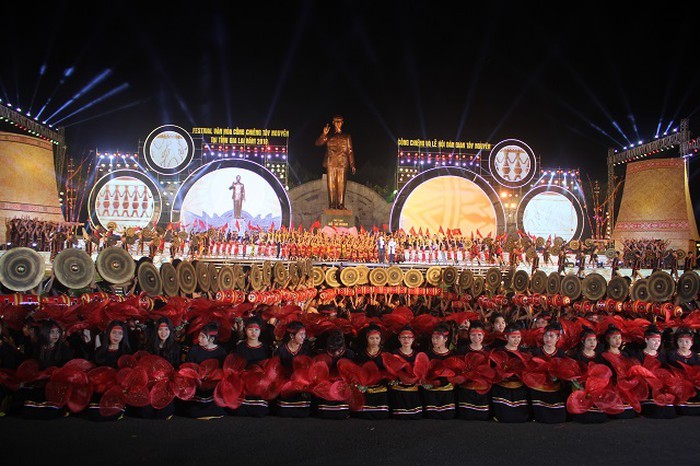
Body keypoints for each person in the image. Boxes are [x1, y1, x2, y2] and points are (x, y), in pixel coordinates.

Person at [178, 322, 228, 420]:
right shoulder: (194, 350)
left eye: (203, 337)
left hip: (213, 385)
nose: (199, 339)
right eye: (199, 336)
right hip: (196, 384)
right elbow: (188, 366)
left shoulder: (221, 352)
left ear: (212, 339)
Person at [315, 114, 356, 210]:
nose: (338, 124)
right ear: (333, 123)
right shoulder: (328, 135)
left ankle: (341, 204)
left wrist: (352, 164)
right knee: (331, 184)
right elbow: (318, 143)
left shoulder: (346, 136)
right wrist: (324, 134)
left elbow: (350, 151)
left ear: (342, 123)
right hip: (331, 163)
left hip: (343, 163)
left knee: (341, 184)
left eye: (340, 121)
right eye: (336, 121)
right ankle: (332, 204)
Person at [273, 321, 313, 418]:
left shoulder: (306, 349)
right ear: (291, 335)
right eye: (301, 334)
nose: (304, 337)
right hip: (285, 379)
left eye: (304, 334)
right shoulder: (281, 350)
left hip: (301, 381)